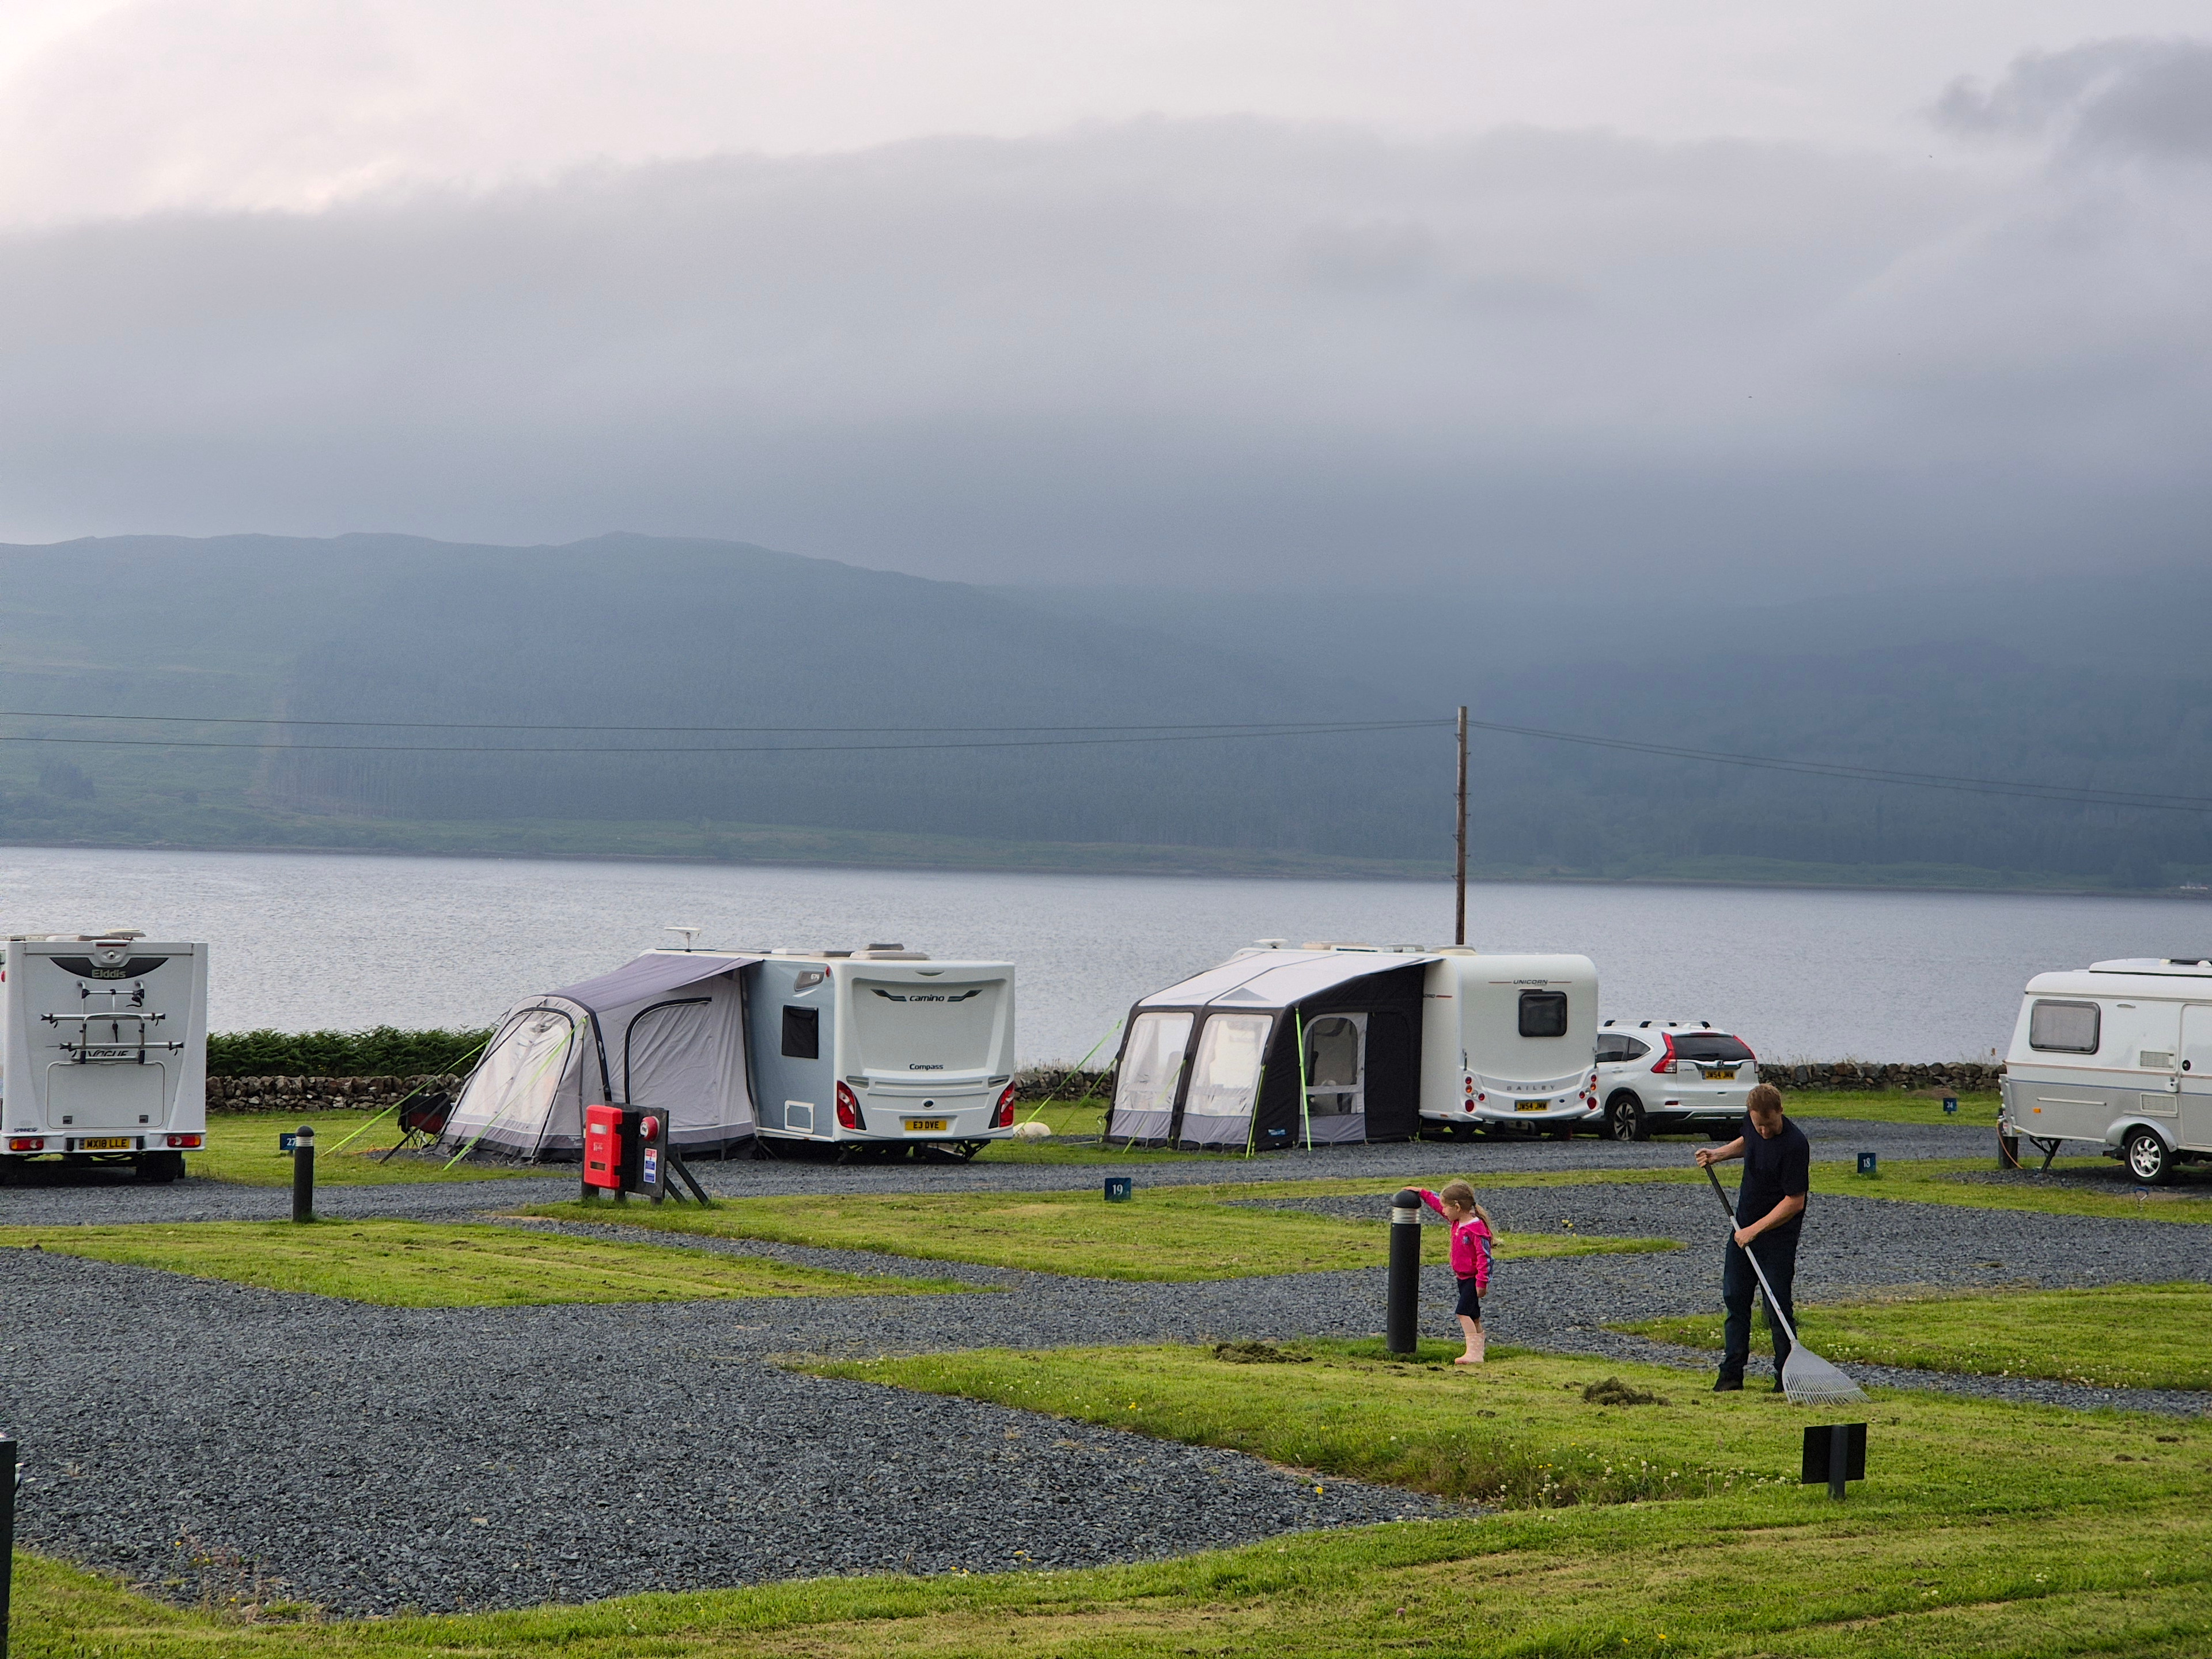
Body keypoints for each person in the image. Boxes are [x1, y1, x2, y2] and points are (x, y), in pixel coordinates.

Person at [1695, 1082, 1810, 1392]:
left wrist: (1754, 1231)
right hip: (1742, 1228)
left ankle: (1786, 1379)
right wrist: (1717, 1154)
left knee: (1776, 1305)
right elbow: (1749, 1142)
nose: (1764, 1132)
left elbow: (1794, 1201)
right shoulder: (1753, 1123)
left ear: (1781, 1113)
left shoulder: (1795, 1145)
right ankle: (1731, 1375)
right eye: (1759, 1124)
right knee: (1735, 1297)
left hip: (1776, 1236)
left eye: (1770, 1125)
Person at [1417, 1180, 1495, 1365]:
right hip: (1462, 1277)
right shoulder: (1458, 1221)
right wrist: (1423, 1193)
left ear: (1457, 1207)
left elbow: (1485, 1257)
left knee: (1463, 1313)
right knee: (1474, 1315)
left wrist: (1482, 1282)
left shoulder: (1476, 1229)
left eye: (1446, 1207)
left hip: (1472, 1278)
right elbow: (1438, 1204)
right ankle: (1478, 1352)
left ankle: (1473, 1354)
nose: (1443, 1210)